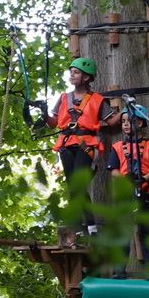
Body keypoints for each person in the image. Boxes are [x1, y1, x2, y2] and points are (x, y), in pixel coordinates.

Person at [43, 57, 117, 236]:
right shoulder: (63, 98)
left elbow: (111, 120)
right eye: (71, 72)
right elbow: (52, 124)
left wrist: (125, 111)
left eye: (75, 72)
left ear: (86, 77)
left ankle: (88, 226)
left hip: (86, 145)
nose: (71, 75)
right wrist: (43, 113)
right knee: (73, 187)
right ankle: (80, 228)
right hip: (66, 144)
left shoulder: (97, 100)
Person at [107, 104, 149, 270]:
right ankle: (118, 270)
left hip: (146, 192)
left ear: (139, 123)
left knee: (145, 231)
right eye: (123, 121)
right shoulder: (117, 147)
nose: (125, 124)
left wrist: (143, 179)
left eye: (129, 121)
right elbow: (113, 171)